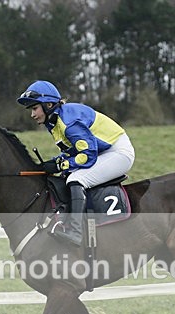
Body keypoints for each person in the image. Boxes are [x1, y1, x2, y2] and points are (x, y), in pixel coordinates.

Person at [17, 80, 135, 246]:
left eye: (35, 108)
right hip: (103, 151)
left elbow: (87, 154)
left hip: (117, 153)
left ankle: (75, 231)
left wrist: (59, 165)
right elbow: (73, 151)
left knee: (76, 179)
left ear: (48, 104)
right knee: (69, 175)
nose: (32, 114)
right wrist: (57, 162)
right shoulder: (54, 122)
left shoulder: (68, 122)